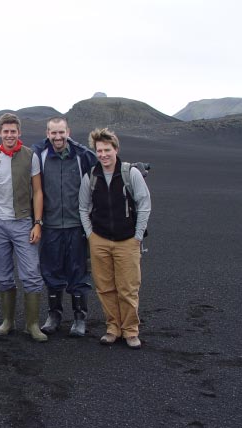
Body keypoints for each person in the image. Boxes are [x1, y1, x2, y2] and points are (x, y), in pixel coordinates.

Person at [79, 128, 151, 349]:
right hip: (99, 240)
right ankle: (113, 328)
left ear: (116, 149)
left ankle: (130, 330)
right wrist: (90, 235)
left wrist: (137, 236)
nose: (103, 155)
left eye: (107, 150)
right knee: (105, 287)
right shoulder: (91, 176)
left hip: (127, 241)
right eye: (99, 151)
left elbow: (144, 204)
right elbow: (83, 207)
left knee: (128, 288)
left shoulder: (131, 173)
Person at [31, 117, 97, 337]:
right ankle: (54, 315)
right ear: (47, 134)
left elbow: (105, 163)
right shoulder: (39, 155)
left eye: (61, 132)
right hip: (50, 225)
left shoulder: (82, 156)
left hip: (76, 225)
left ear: (68, 132)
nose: (58, 137)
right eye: (53, 133)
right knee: (51, 270)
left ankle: (79, 318)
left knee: (78, 271)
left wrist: (131, 168)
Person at [0, 113, 47, 342]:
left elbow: (37, 191)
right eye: (6, 131)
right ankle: (7, 322)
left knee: (31, 274)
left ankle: (32, 325)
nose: (9, 135)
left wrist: (37, 223)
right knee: (3, 275)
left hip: (22, 222)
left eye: (13, 131)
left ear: (19, 132)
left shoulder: (30, 156)